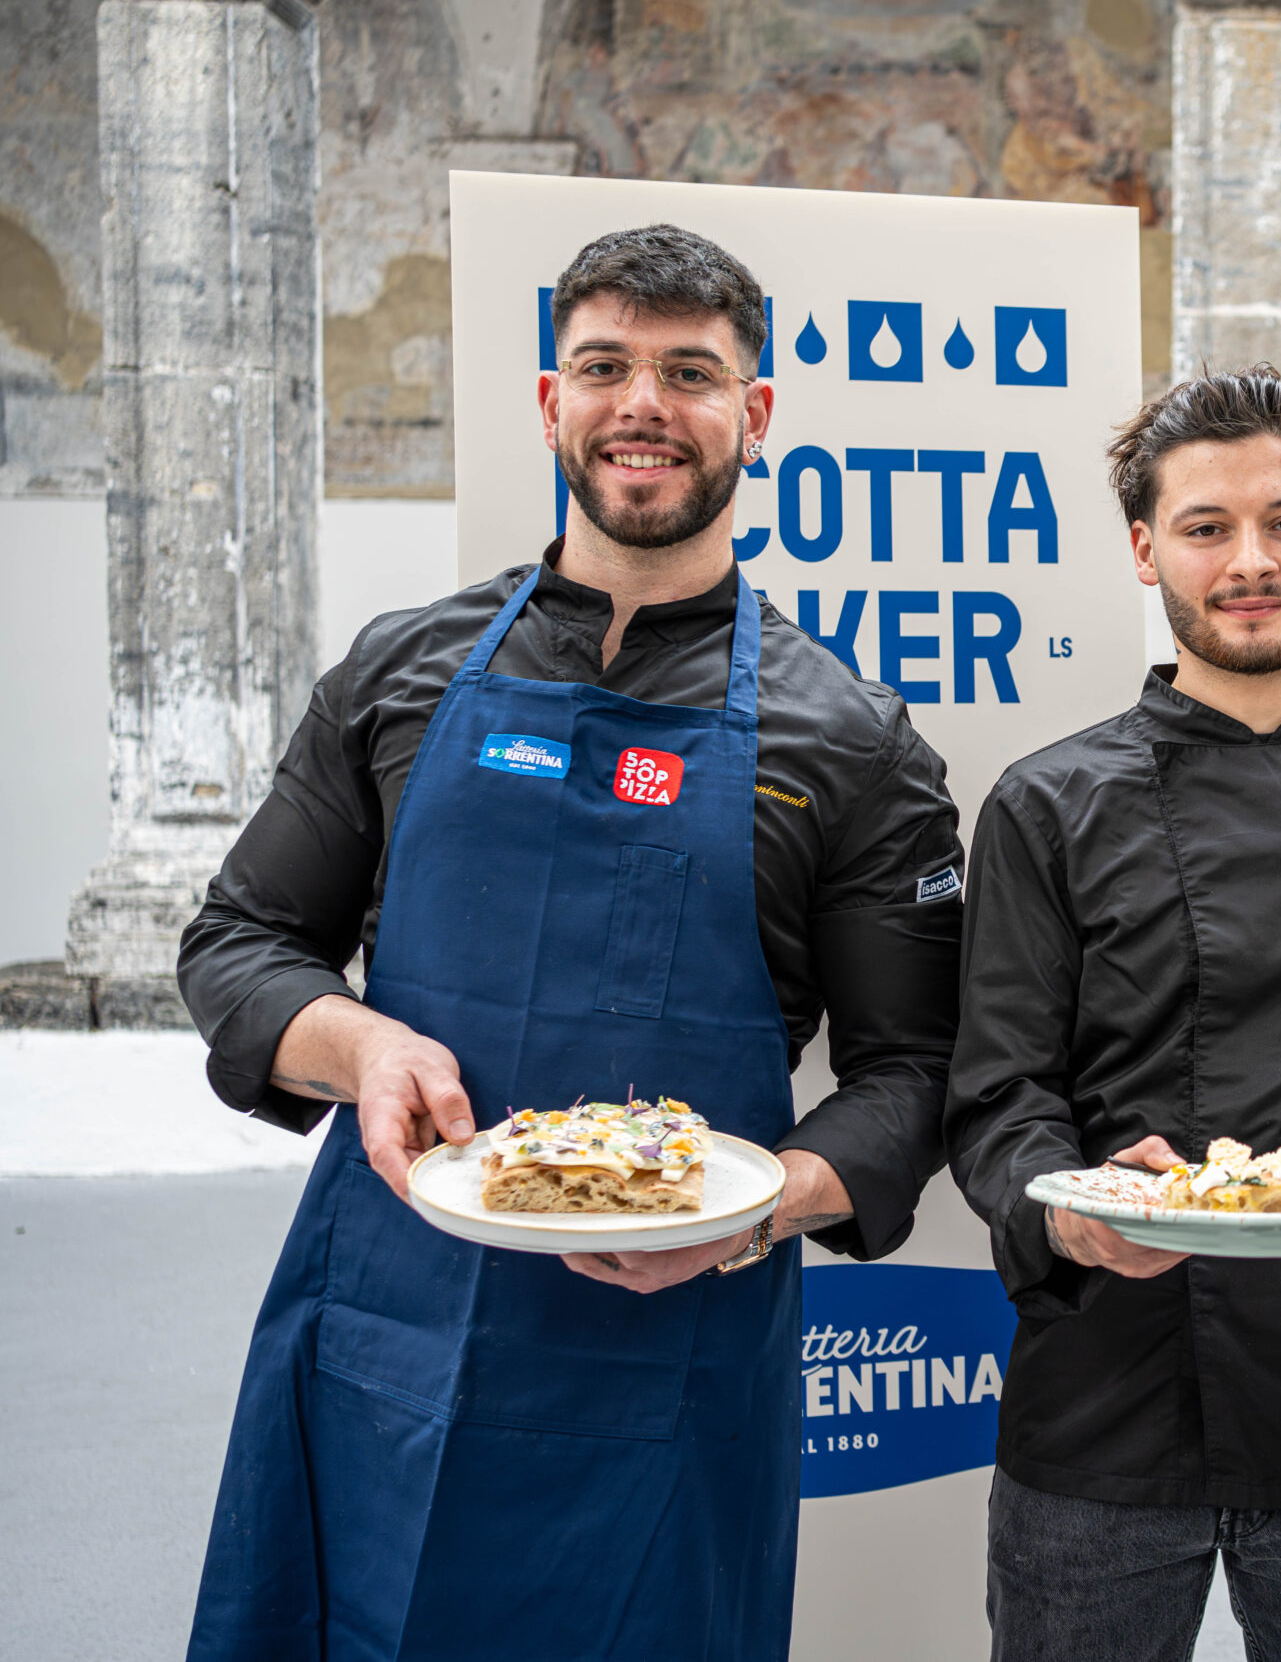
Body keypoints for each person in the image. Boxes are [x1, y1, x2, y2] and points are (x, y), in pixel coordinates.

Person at [177, 224, 964, 1661]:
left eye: (690, 373)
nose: (642, 405)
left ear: (756, 415)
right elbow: (239, 940)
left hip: (674, 1365)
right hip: (387, 1323)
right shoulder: (401, 668)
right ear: (553, 403)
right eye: (604, 367)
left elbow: (914, 1074)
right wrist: (361, 1047)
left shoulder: (852, 741)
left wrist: (757, 1210)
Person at [945, 366, 1281, 1662]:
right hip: (1101, 1393)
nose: (1250, 562)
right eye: (1205, 527)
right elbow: (1000, 1092)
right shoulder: (1048, 804)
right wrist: (1063, 1209)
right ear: (1144, 551)